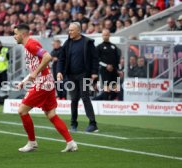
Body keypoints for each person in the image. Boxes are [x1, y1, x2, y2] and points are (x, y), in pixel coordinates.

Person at [13, 23, 78, 153]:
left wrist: (36, 73)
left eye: (15, 34)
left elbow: (47, 57)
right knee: (51, 114)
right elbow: (35, 67)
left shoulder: (31, 44)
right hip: (46, 81)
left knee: (22, 111)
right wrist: (24, 81)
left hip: (43, 82)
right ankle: (71, 143)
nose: (14, 37)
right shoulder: (29, 45)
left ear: (23, 34)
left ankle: (32, 143)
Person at [57, 22, 99, 133]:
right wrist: (59, 72)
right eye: (69, 30)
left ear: (78, 31)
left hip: (84, 75)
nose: (69, 32)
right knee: (74, 99)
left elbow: (95, 58)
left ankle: (93, 124)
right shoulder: (67, 43)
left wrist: (94, 72)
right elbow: (61, 59)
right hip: (71, 76)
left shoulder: (88, 42)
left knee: (85, 98)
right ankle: (73, 124)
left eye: (72, 30)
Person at [94, 29, 120, 100]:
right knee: (106, 89)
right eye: (104, 35)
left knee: (115, 89)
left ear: (109, 35)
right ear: (102, 36)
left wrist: (117, 69)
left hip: (114, 70)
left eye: (107, 35)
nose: (105, 36)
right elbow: (97, 60)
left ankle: (111, 102)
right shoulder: (99, 47)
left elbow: (117, 59)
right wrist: (106, 65)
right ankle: (105, 104)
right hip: (104, 71)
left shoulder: (114, 46)